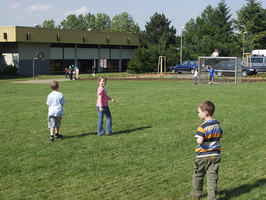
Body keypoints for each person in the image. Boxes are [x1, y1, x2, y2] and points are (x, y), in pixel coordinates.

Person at [190, 101, 223, 200]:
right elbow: (220, 135)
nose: (198, 114)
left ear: (205, 113)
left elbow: (200, 141)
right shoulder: (217, 124)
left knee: (198, 174)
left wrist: (198, 139)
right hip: (215, 155)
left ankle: (196, 193)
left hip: (202, 156)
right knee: (212, 177)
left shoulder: (202, 126)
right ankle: (212, 197)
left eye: (199, 112)